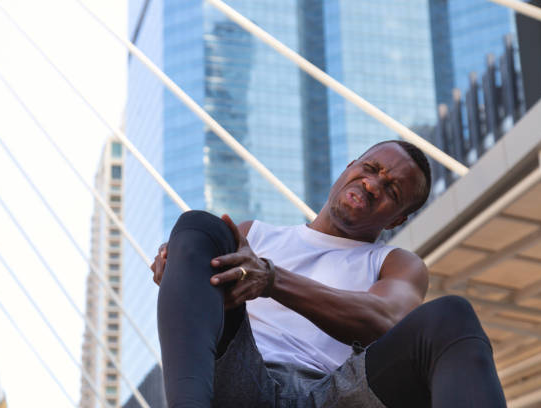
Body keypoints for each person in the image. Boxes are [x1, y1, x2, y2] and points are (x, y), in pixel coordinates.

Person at [150, 140, 506, 408]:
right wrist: (181, 266)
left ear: (397, 219)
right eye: (370, 168)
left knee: (452, 315)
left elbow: (387, 319)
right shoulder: (253, 234)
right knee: (199, 228)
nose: (371, 184)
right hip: (243, 378)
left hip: (333, 394)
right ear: (349, 167)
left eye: (391, 189)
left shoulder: (394, 262)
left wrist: (272, 280)